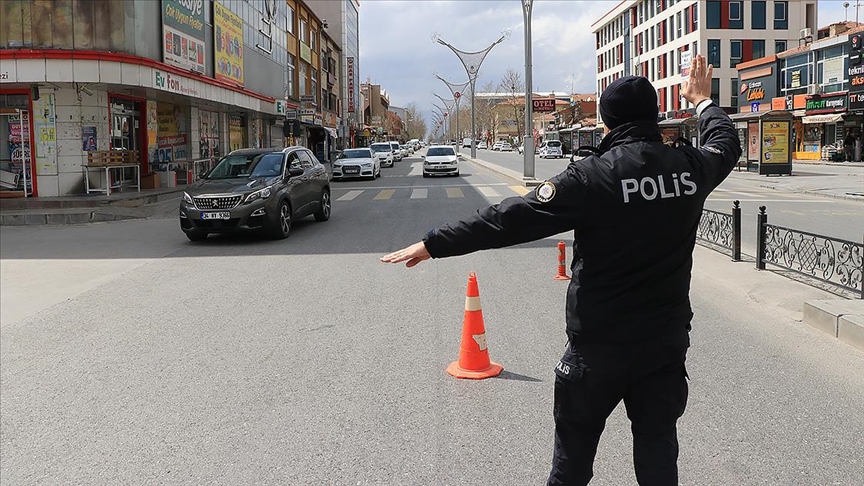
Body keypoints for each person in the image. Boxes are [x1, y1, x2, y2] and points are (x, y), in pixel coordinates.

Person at [381, 54, 740, 484]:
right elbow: (724, 141)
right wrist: (702, 100)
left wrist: (434, 243)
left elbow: (506, 219)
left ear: (607, 124)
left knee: (572, 461)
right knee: (658, 454)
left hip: (598, 350)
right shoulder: (690, 169)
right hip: (663, 348)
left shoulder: (592, 178)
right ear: (654, 118)